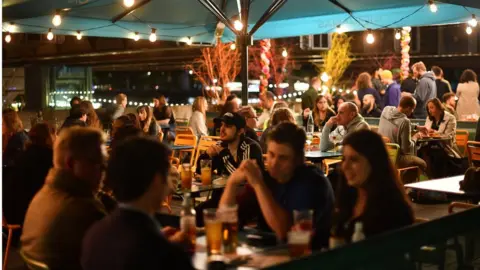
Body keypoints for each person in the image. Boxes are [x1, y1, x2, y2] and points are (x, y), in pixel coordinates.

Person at [81, 137, 194, 270]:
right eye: (167, 175)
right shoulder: (164, 254)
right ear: (157, 180)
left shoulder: (94, 235)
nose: (170, 186)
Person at [219, 122, 335, 249]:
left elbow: (284, 231)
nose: (274, 163)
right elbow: (226, 219)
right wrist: (232, 183)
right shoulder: (268, 178)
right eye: (271, 155)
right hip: (270, 255)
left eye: (283, 158)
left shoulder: (312, 182)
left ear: (299, 159)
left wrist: (258, 185)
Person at [21, 127, 107, 270]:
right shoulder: (85, 210)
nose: (104, 170)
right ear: (71, 163)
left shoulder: (45, 195)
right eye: (98, 163)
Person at [331, 130, 414, 242]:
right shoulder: (348, 196)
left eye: (354, 160)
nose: (344, 166)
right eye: (344, 159)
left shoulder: (393, 211)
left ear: (374, 162)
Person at [4, 122, 56, 226]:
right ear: (50, 136)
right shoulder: (50, 159)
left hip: (13, 213)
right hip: (35, 215)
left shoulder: (23, 156)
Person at [199, 112, 263, 176]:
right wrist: (206, 155)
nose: (222, 129)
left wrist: (224, 154)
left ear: (240, 131)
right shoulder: (221, 145)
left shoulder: (250, 148)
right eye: (222, 125)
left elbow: (243, 179)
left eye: (227, 126)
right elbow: (199, 171)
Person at [378, 96, 427, 172]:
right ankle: (407, 182)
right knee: (423, 164)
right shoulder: (405, 121)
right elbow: (406, 149)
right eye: (412, 109)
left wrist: (416, 127)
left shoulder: (386, 109)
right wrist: (416, 137)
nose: (412, 112)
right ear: (408, 108)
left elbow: (397, 122)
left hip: (381, 154)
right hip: (395, 157)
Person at [417, 98, 463, 178]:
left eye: (432, 107)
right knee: (419, 151)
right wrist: (424, 133)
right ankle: (428, 177)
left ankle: (436, 178)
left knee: (437, 155)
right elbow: (426, 132)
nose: (430, 110)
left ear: (439, 107)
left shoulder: (450, 118)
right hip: (429, 145)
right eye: (428, 108)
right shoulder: (429, 118)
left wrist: (434, 132)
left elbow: (449, 136)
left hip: (445, 147)